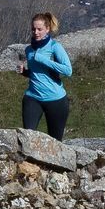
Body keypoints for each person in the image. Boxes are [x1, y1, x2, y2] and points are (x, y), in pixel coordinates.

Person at [19, 11, 72, 139]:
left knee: (55, 142)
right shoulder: (29, 50)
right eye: (33, 29)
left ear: (47, 29)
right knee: (28, 138)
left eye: (39, 29)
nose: (35, 32)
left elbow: (68, 70)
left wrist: (44, 60)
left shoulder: (55, 47)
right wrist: (25, 72)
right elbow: (38, 74)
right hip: (33, 98)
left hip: (56, 99)